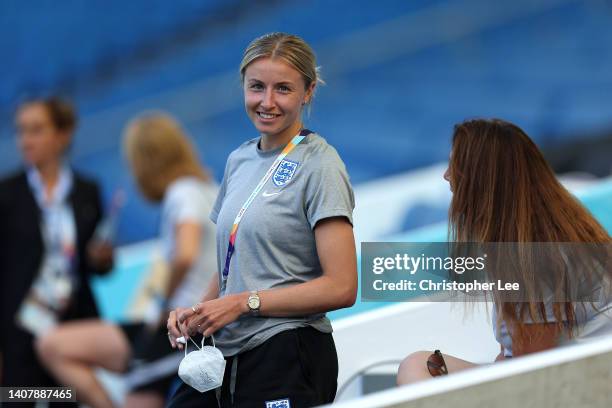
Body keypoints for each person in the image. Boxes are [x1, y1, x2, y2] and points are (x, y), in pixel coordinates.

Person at [166, 32, 358, 407]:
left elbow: (342, 286)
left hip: (288, 350)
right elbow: (232, 262)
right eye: (257, 87)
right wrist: (198, 311)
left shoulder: (321, 164)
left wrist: (242, 303)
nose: (267, 102)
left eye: (283, 89)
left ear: (309, 91)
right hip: (225, 354)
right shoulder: (239, 159)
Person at [396, 118, 612, 385]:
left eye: (455, 164)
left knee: (417, 369)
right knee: (421, 364)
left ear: (480, 176)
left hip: (567, 384)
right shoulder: (530, 235)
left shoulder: (535, 252)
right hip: (553, 375)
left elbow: (532, 372)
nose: (447, 175)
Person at [35, 113, 218, 408]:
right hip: (182, 326)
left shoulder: (181, 192)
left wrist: (163, 305)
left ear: (147, 161)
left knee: (52, 346)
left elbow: (185, 254)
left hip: (180, 327)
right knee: (53, 344)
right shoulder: (210, 189)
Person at [0, 97, 114, 391]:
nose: (25, 140)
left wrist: (101, 260)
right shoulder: (6, 195)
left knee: (65, 400)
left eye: (36, 130)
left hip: (73, 324)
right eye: (21, 131)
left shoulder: (87, 191)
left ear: (62, 134)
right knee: (17, 399)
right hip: (19, 329)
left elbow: (96, 268)